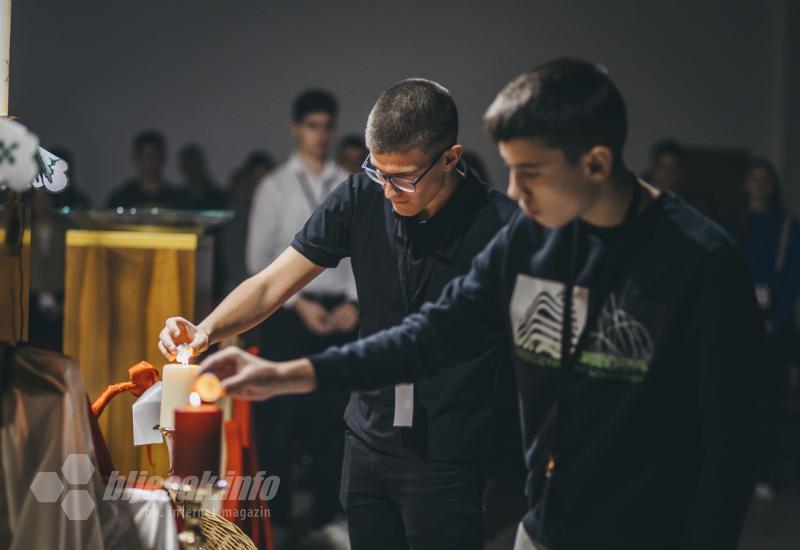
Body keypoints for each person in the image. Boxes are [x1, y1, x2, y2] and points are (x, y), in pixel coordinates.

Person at [199, 58, 762, 550]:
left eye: (530, 172)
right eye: (510, 169)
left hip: (646, 532)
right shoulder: (532, 238)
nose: (513, 192)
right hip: (545, 525)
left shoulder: (702, 264)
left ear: (594, 163)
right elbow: (427, 335)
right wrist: (288, 374)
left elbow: (731, 449)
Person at [159, 79, 516, 549]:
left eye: (404, 177)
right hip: (368, 440)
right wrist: (205, 331)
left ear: (450, 158)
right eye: (377, 171)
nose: (388, 191)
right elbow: (270, 283)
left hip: (450, 450)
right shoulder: (360, 196)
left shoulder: (499, 224)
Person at [738, 157, 800, 502]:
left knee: (767, 401)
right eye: (754, 177)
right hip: (737, 323)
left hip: (774, 325)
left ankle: (764, 471)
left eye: (766, 179)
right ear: (745, 184)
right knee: (735, 398)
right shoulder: (731, 223)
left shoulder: (788, 226)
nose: (759, 185)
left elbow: (792, 280)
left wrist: (773, 323)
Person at [106, 130, 181, 209]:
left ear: (162, 158)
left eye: (154, 156)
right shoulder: (121, 199)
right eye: (145, 157)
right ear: (136, 159)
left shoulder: (178, 200)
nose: (150, 161)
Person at [177, 144, 226, 210]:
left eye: (194, 166)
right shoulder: (179, 198)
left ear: (200, 166)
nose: (191, 171)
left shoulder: (218, 198)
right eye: (188, 167)